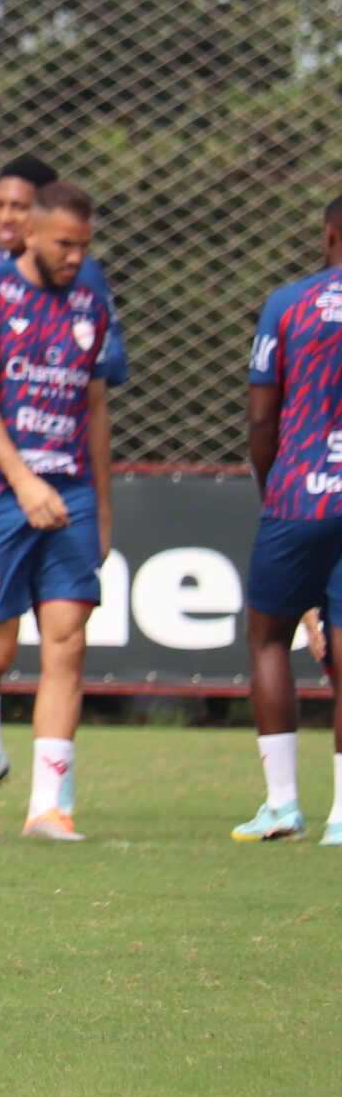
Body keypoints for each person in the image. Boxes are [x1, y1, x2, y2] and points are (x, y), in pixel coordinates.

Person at [0, 153, 127, 807]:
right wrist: (24, 480)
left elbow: (95, 406)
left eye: (83, 245)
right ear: (32, 234)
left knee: (67, 640)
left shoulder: (92, 299)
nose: (76, 256)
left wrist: (102, 506)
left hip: (68, 491)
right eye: (66, 244)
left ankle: (51, 808)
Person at [232, 197, 342, 843]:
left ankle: (282, 804)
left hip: (300, 493)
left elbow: (260, 415)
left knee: (270, 637)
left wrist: (272, 483)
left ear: (330, 235)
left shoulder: (289, 303)